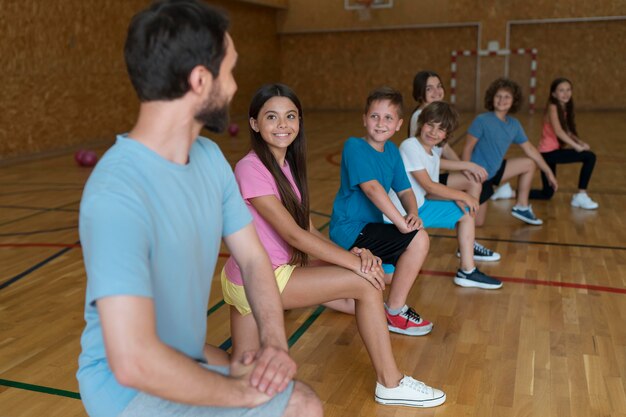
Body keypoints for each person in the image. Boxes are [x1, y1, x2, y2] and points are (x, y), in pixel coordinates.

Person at [76, 2, 322, 417]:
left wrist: (274, 345)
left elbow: (253, 258)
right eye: (228, 72)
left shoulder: (208, 158)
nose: (232, 85)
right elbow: (134, 361)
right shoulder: (116, 193)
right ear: (200, 80)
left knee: (293, 396)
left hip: (182, 359)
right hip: (127, 389)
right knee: (299, 405)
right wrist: (243, 394)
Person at [222, 83, 446, 408]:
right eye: (272, 117)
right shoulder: (250, 167)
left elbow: (308, 227)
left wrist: (349, 256)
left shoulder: (285, 165)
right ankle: (390, 382)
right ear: (255, 123)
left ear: (299, 121)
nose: (283, 124)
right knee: (367, 284)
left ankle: (188, 365)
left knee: (240, 373)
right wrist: (354, 265)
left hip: (254, 275)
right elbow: (295, 237)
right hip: (261, 280)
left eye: (290, 116)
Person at [329, 87, 433, 337]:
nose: (380, 123)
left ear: (398, 124)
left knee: (384, 281)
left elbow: (406, 191)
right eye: (375, 116)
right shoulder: (354, 146)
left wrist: (412, 213)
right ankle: (395, 313)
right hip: (350, 229)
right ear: (364, 119)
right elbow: (373, 189)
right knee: (419, 240)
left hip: (368, 231)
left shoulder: (393, 152)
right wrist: (402, 224)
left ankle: (303, 289)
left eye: (388, 118)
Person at [389, 102, 502, 289]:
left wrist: (455, 198)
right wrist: (463, 195)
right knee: (388, 278)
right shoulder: (410, 146)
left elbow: (427, 192)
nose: (433, 132)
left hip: (420, 208)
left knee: (465, 215)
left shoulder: (432, 154)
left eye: (440, 129)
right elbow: (429, 186)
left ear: (446, 135)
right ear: (421, 123)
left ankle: (467, 271)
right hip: (400, 214)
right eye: (430, 125)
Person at [408, 70, 499, 261]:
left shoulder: (437, 113)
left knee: (472, 179)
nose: (436, 91)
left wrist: (466, 166)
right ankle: (467, 242)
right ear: (420, 92)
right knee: (472, 184)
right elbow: (423, 159)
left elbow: (445, 148)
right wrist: (466, 166)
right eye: (429, 88)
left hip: (432, 176)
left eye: (439, 86)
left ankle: (467, 238)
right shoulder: (421, 116)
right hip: (423, 180)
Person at [462, 77, 558, 226]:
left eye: (507, 97)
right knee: (478, 223)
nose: (502, 100)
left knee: (529, 163)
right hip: (478, 176)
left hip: (495, 170)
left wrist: (548, 172)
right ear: (492, 98)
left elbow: (530, 149)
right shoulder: (481, 120)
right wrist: (467, 173)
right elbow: (467, 148)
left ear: (514, 101)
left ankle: (521, 206)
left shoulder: (514, 124)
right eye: (498, 96)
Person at [529, 77, 598, 209]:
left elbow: (567, 131)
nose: (565, 93)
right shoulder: (553, 106)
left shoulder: (563, 108)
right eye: (561, 90)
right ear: (554, 94)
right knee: (590, 157)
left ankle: (509, 192)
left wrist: (580, 142)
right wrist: (576, 147)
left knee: (547, 193)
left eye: (568, 90)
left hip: (551, 154)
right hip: (548, 153)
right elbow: (559, 131)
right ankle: (581, 195)